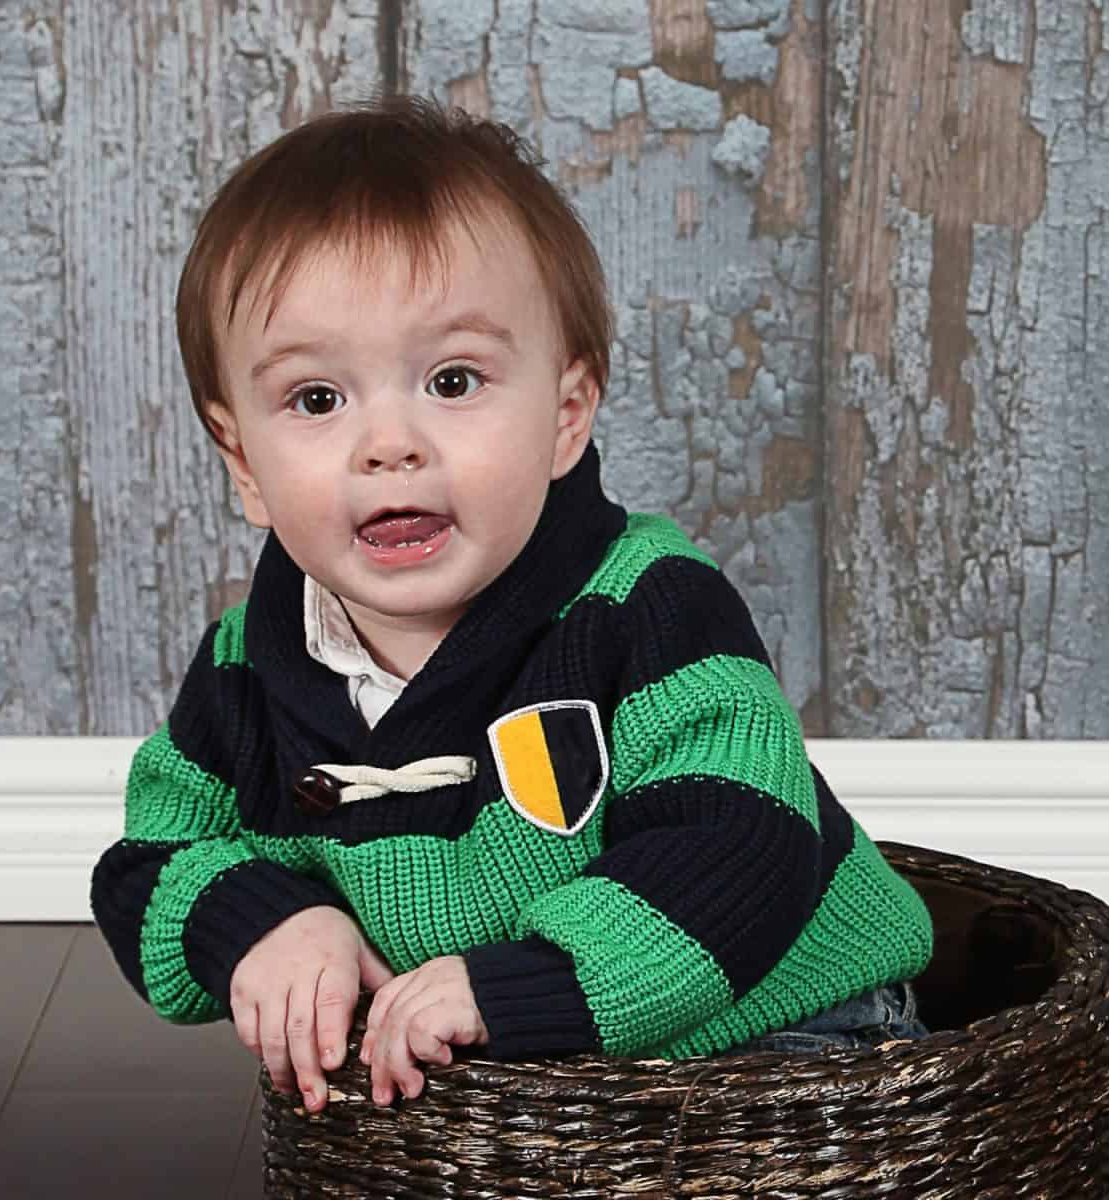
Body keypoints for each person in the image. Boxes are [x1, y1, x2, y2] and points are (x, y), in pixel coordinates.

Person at [90, 95, 933, 1118]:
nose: (387, 443)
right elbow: (149, 858)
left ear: (565, 417)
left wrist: (522, 982)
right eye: (318, 399)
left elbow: (738, 847)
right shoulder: (246, 667)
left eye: (453, 380)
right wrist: (263, 920)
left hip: (778, 1029)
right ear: (243, 465)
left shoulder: (646, 610)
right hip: (493, 1072)